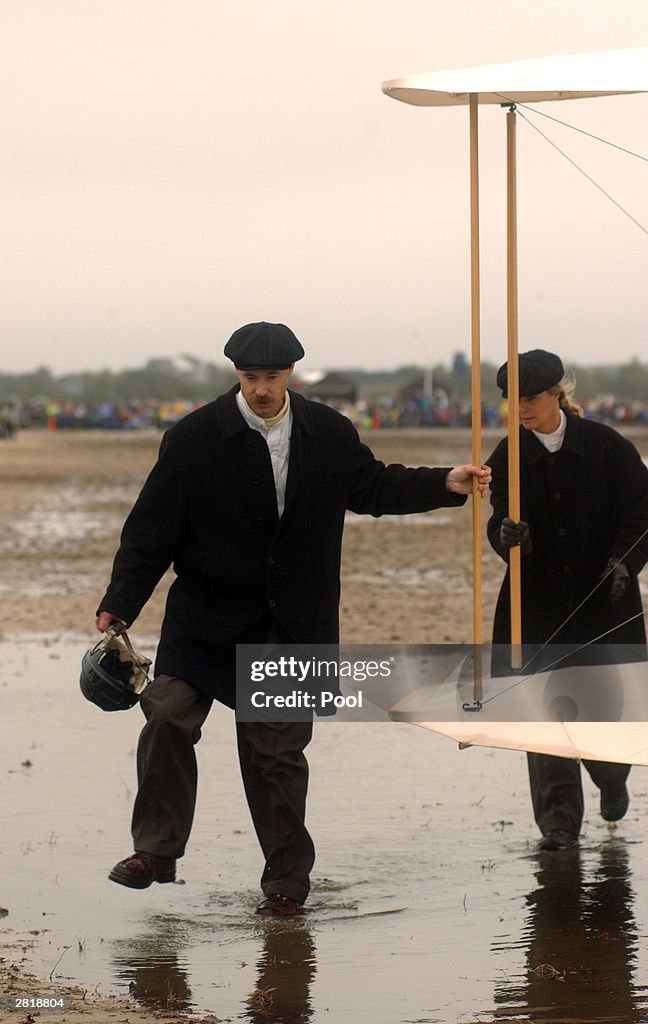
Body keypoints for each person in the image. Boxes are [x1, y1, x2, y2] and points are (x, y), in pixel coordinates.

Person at [96, 321, 491, 915]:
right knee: (168, 714)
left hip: (292, 623)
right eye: (251, 377)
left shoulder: (327, 431)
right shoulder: (194, 437)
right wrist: (120, 602)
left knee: (276, 755)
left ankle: (286, 884)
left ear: (291, 374)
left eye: (271, 377)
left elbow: (373, 486)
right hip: (204, 619)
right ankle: (155, 851)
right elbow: (152, 528)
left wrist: (445, 482)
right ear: (236, 375)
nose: (260, 388)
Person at [487, 349, 648, 852]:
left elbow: (641, 513)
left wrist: (624, 562)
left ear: (559, 393)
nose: (522, 410)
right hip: (535, 600)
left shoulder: (607, 446)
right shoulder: (507, 455)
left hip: (605, 597)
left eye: (530, 399)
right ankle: (558, 821)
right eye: (513, 401)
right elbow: (498, 525)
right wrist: (511, 536)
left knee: (602, 704)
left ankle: (612, 773)